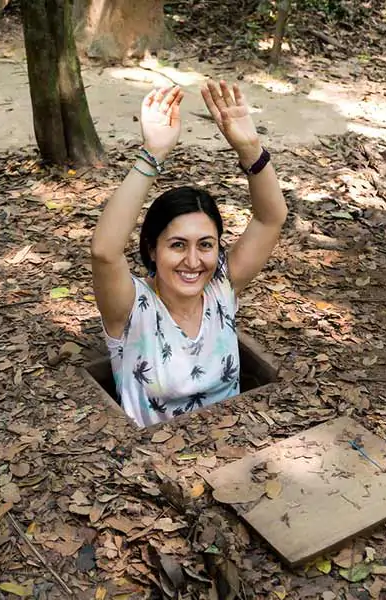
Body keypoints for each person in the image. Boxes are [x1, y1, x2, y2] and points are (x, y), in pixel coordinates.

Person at [91, 81, 287, 428]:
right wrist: (152, 155)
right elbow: (105, 252)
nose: (194, 261)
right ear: (152, 248)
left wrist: (251, 149)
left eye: (206, 245)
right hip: (152, 457)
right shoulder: (132, 308)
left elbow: (270, 218)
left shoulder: (221, 287)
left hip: (235, 446)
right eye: (177, 245)